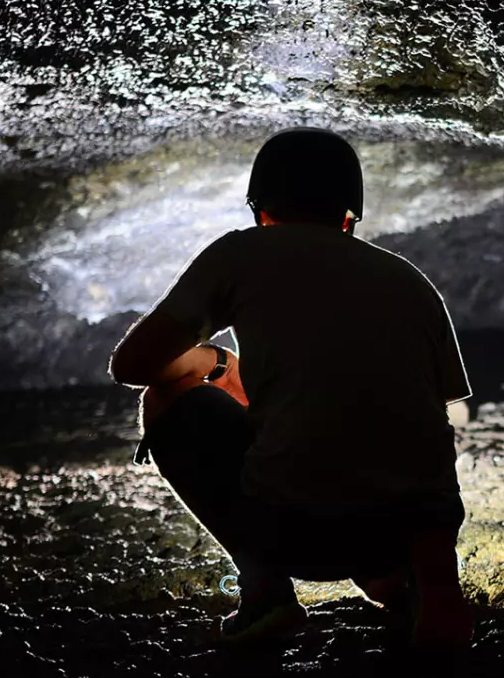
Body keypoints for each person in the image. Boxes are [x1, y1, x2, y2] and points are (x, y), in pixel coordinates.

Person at [109, 127, 473, 648]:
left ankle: (264, 593)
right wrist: (444, 590)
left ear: (260, 209)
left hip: (292, 533)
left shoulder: (240, 254)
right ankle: (404, 585)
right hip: (400, 536)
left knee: (165, 398)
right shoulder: (410, 282)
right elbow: (430, 434)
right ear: (351, 214)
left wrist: (216, 365)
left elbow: (133, 365)